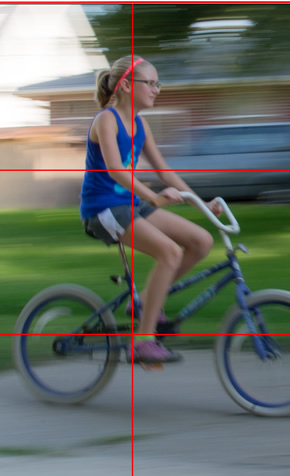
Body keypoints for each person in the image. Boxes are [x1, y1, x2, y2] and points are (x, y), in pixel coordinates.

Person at [80, 55, 221, 363]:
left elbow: (165, 171)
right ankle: (142, 341)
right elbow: (116, 169)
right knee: (170, 252)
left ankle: (142, 303)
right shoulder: (107, 119)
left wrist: (203, 204)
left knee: (201, 241)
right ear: (128, 85)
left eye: (159, 83)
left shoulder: (140, 125)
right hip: (102, 210)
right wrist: (154, 198)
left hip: (129, 206)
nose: (157, 89)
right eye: (151, 83)